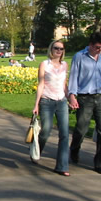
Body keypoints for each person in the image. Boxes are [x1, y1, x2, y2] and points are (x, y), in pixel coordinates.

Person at [68, 32, 101, 175]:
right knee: (81, 129)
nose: (100, 50)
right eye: (98, 47)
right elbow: (74, 76)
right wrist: (72, 95)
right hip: (85, 97)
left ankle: (100, 162)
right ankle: (74, 149)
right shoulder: (79, 56)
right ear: (90, 45)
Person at [32, 40, 70, 176]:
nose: (59, 51)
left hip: (61, 102)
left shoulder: (65, 65)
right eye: (56, 48)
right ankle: (36, 150)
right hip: (47, 101)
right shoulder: (44, 64)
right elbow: (41, 84)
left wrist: (70, 97)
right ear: (51, 49)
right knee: (46, 131)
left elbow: (64, 84)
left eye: (61, 49)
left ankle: (62, 166)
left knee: (64, 134)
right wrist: (36, 104)